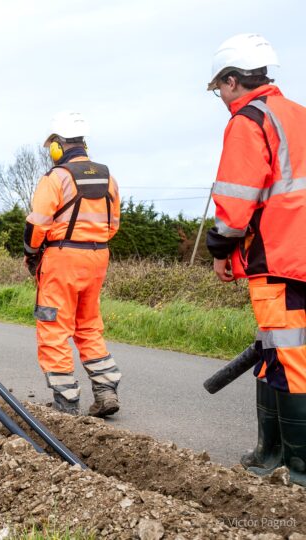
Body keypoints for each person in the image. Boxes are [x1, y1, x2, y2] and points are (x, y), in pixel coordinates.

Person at [206, 33, 306, 486]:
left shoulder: (249, 120)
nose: (220, 97)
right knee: (276, 352)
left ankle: (297, 467)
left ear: (233, 80)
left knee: (288, 356)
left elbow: (237, 199)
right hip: (298, 255)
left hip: (279, 257)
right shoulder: (298, 116)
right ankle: (271, 453)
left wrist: (221, 248)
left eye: (219, 88)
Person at [23, 111, 122, 417]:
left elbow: (37, 224)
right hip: (97, 257)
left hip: (61, 258)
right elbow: (114, 224)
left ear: (58, 146)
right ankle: (106, 391)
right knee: (88, 324)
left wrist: (31, 254)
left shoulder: (56, 178)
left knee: (53, 325)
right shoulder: (108, 177)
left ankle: (66, 403)